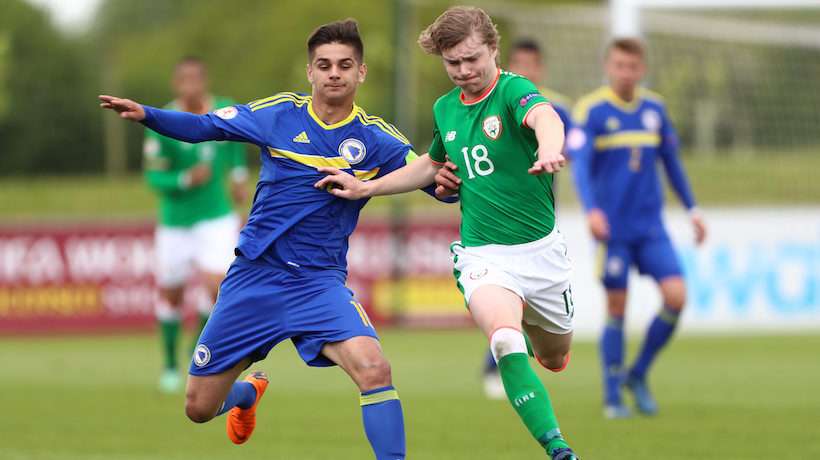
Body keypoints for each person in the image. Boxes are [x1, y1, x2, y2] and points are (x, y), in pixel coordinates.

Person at [101, 19, 448, 458]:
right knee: (198, 407)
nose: (334, 73)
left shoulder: (377, 139)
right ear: (310, 72)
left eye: (344, 64)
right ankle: (245, 395)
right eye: (324, 64)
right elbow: (206, 126)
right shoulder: (279, 114)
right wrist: (149, 115)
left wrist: (451, 183)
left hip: (318, 284)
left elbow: (431, 182)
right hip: (254, 278)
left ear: (361, 72)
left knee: (375, 368)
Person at [314, 7, 579, 460]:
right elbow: (431, 164)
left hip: (542, 254)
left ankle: (535, 343)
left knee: (553, 358)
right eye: (452, 62)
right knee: (503, 338)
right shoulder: (445, 109)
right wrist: (368, 187)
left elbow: (545, 119)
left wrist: (551, 147)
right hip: (484, 256)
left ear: (493, 50)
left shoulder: (514, 90)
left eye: (472, 59)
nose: (463, 71)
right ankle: (557, 448)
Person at [567, 38, 707, 419]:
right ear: (607, 66)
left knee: (676, 297)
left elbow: (672, 163)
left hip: (651, 228)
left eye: (632, 67)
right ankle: (612, 394)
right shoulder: (592, 110)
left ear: (641, 70)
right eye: (619, 66)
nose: (625, 73)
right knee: (617, 307)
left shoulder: (655, 109)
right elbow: (579, 167)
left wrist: (692, 209)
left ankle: (638, 373)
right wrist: (591, 211)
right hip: (613, 230)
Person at [474, 37, 574, 400]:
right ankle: (494, 363)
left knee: (550, 343)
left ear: (540, 68)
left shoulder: (554, 106)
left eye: (531, 64)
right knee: (503, 302)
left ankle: (517, 355)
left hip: (540, 222)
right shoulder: (489, 100)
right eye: (519, 62)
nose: (525, 70)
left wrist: (550, 150)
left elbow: (566, 141)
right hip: (495, 228)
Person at [143, 56, 248, 393]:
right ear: (177, 84)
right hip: (176, 221)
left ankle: (196, 354)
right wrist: (186, 178)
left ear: (204, 81)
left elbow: (235, 149)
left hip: (217, 216)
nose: (191, 85)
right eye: (184, 79)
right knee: (172, 295)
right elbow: (153, 176)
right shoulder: (164, 121)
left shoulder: (222, 110)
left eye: (196, 78)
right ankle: (171, 363)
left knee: (219, 288)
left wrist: (238, 176)